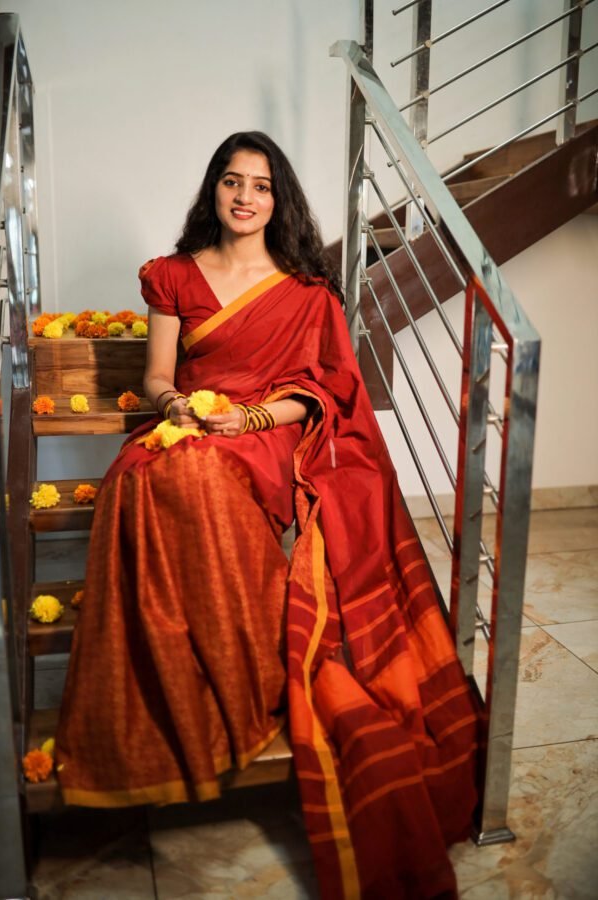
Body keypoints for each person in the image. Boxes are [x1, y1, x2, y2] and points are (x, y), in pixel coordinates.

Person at [56, 131, 479, 899]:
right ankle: (195, 685)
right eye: (231, 181)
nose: (244, 196)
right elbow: (157, 371)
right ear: (213, 191)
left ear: (277, 200)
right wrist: (175, 403)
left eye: (260, 185)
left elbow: (325, 388)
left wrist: (250, 422)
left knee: (197, 480)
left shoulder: (307, 289)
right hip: (193, 419)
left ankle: (247, 682)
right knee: (144, 475)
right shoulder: (173, 275)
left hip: (271, 436)